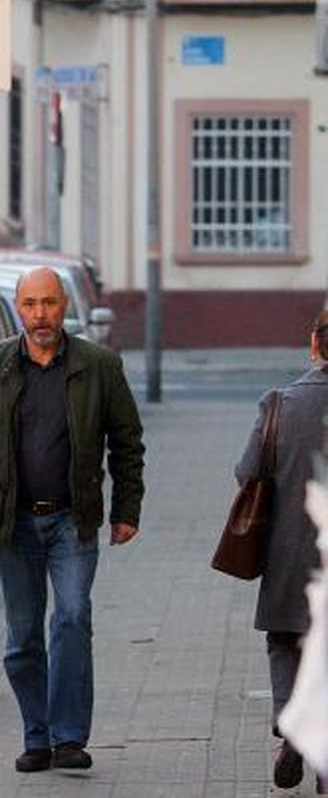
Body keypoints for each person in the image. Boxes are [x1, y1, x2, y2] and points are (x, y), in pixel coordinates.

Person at [0, 267, 145, 775]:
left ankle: (69, 737)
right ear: (17, 308)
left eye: (49, 303)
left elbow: (127, 441)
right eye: (31, 305)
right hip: (13, 526)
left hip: (73, 521)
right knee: (22, 636)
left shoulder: (98, 366)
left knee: (72, 617)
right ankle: (38, 736)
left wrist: (126, 510)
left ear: (63, 307)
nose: (40, 315)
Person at [235, 310, 328, 791]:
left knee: (286, 641)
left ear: (315, 343)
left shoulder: (279, 404)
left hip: (290, 552)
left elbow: (247, 471)